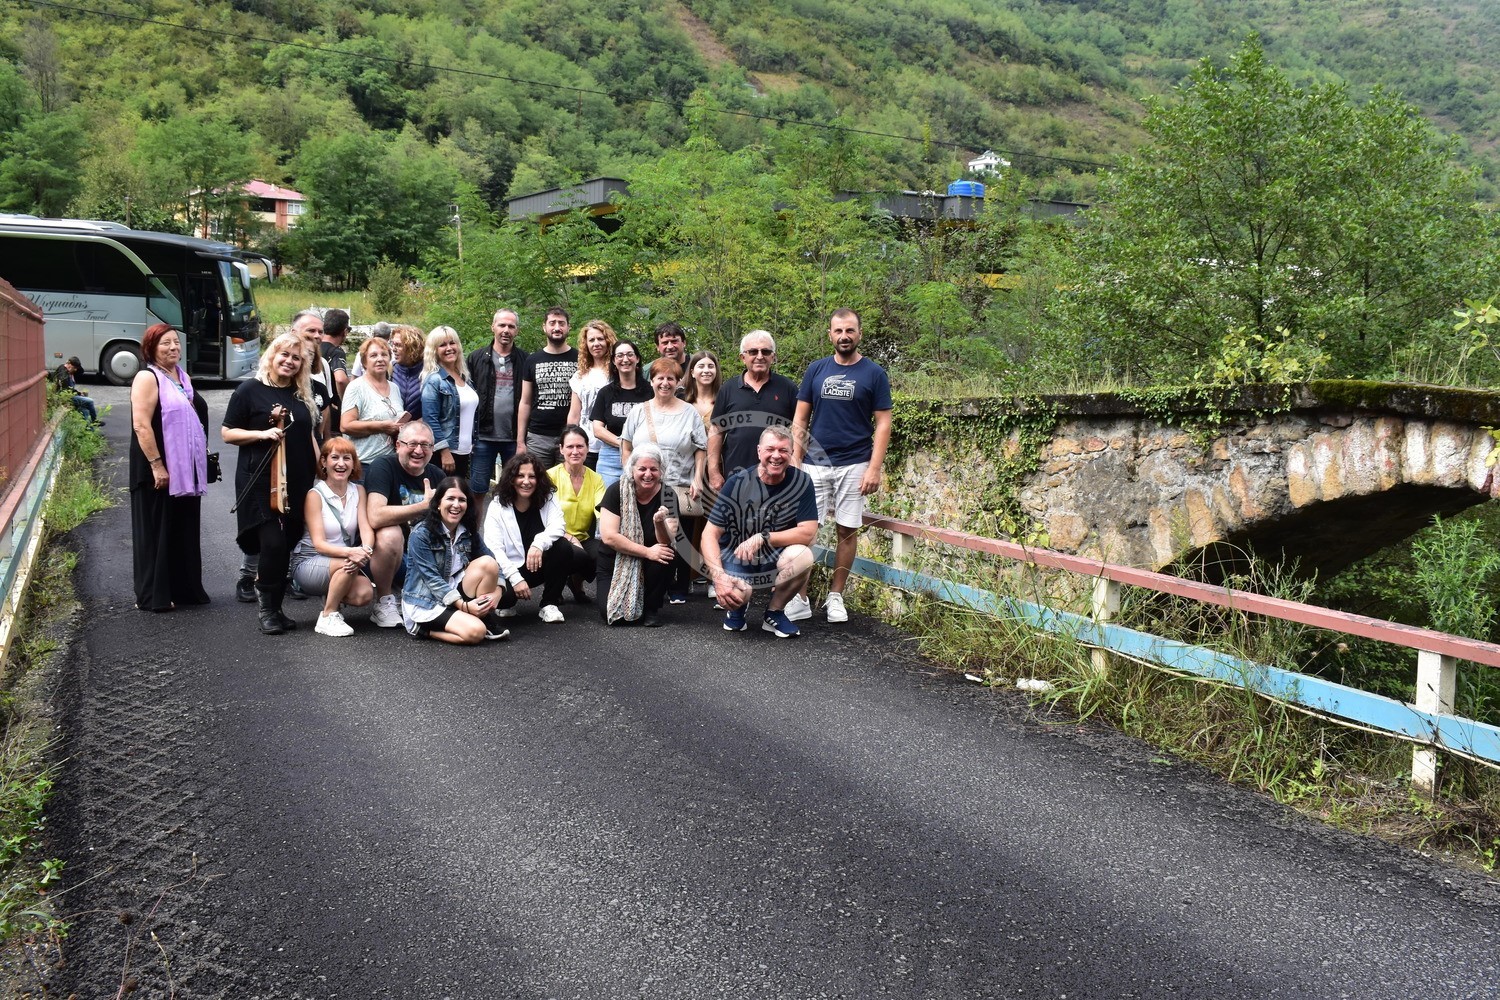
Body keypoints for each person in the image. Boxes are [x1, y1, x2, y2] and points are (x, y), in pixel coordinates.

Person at [791, 308, 893, 624]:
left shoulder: (874, 373)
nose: (844, 336)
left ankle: (836, 596)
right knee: (806, 530)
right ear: (830, 335)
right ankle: (799, 597)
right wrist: (795, 458)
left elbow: (883, 423)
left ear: (859, 333)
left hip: (855, 462)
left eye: (850, 330)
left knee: (847, 530)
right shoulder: (816, 370)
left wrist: (874, 468)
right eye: (838, 331)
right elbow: (800, 418)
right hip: (815, 463)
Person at [222, 332, 321, 634]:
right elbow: (228, 432)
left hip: (298, 479)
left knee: (287, 542)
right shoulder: (249, 390)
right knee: (273, 543)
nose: (289, 361)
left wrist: (322, 468)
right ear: (272, 355)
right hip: (260, 479)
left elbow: (309, 436)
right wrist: (261, 434)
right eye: (284, 355)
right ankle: (266, 610)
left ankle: (277, 609)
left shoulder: (301, 394)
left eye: (296, 358)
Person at [702, 427, 819, 638]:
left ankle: (775, 612)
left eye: (783, 450)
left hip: (774, 556)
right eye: (770, 449)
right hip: (737, 555)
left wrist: (763, 537)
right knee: (737, 593)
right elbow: (709, 534)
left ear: (792, 453)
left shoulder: (802, 482)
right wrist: (718, 577)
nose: (776, 455)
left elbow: (808, 532)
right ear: (758, 451)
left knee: (803, 556)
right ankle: (737, 609)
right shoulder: (737, 483)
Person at [129, 323, 210, 612]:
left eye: (176, 342)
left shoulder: (182, 377)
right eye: (165, 343)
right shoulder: (147, 377)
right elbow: (141, 425)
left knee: (181, 529)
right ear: (151, 348)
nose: (173, 347)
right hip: (157, 469)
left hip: (185, 470)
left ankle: (182, 589)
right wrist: (157, 465)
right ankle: (153, 594)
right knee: (157, 531)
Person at [620, 358, 706, 605]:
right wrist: (629, 475)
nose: (665, 383)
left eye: (671, 378)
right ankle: (651, 584)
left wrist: (698, 478)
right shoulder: (639, 411)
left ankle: (680, 586)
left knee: (681, 536)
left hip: (678, 483)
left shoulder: (689, 412)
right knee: (649, 534)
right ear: (652, 381)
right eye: (660, 378)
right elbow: (626, 446)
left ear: (678, 382)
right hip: (644, 484)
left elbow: (701, 448)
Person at [363, 421, 450, 628]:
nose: (418, 450)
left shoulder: (437, 475)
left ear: (432, 449)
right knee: (390, 534)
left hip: (423, 558)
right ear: (398, 445)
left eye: (425, 445)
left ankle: (414, 595)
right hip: (383, 557)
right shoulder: (383, 466)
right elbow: (375, 516)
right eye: (412, 444)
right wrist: (424, 506)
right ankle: (384, 602)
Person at [401, 477, 508, 644]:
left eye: (462, 500)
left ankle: (483, 616)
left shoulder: (466, 529)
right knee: (476, 633)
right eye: (450, 498)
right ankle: (423, 630)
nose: (456, 505)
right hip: (427, 600)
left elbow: (492, 559)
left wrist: (498, 591)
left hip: (453, 589)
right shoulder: (421, 534)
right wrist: (464, 606)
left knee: (488, 563)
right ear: (438, 503)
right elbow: (432, 580)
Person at [291, 437, 376, 636]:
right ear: (324, 462)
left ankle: (331, 596)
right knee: (348, 563)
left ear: (353, 463)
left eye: (347, 458)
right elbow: (319, 544)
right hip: (309, 560)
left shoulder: (359, 490)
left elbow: (365, 528)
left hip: (343, 560)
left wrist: (366, 550)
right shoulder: (315, 495)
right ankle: (328, 616)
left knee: (364, 594)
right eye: (335, 457)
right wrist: (352, 553)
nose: (341, 464)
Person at [482, 453, 571, 623]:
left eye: (532, 476)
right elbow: (494, 549)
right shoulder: (497, 505)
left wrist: (538, 544)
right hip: (508, 569)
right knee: (506, 599)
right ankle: (507, 601)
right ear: (511, 479)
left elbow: (559, 525)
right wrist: (515, 579)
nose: (526, 481)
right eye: (520, 476)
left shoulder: (547, 497)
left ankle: (549, 604)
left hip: (535, 564)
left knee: (564, 548)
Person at [597, 444, 678, 627]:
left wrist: (659, 522)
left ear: (661, 471)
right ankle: (636, 603)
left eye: (653, 469)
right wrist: (647, 552)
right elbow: (609, 537)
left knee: (667, 553)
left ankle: (651, 608)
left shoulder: (668, 495)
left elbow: (667, 540)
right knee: (612, 614)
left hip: (652, 561)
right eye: (642, 469)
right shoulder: (616, 491)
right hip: (615, 560)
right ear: (632, 469)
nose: (648, 474)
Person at [708, 330, 798, 490]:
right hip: (736, 476)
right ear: (743, 357)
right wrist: (713, 471)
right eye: (753, 352)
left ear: (773, 357)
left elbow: (799, 429)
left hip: (778, 478)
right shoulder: (728, 389)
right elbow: (716, 431)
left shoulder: (788, 388)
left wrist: (795, 466)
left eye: (766, 351)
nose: (760, 356)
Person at [466, 309, 524, 497]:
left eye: (511, 326)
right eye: (502, 325)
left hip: (514, 438)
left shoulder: (525, 360)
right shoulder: (476, 358)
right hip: (483, 436)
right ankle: (478, 519)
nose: (506, 330)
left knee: (515, 490)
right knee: (478, 490)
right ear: (493, 327)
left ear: (517, 330)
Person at [547, 425, 606, 604]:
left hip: (583, 538)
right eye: (570, 446)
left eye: (580, 446)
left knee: (604, 552)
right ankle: (553, 589)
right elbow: (543, 518)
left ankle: (576, 583)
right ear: (561, 449)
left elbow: (602, 513)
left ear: (587, 448)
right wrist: (569, 538)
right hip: (555, 537)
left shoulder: (596, 479)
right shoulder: (550, 476)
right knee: (571, 552)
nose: (575, 451)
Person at [516, 306, 578, 470]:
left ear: (568, 327)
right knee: (537, 481)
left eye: (561, 323)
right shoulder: (532, 360)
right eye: (552, 323)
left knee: (568, 482)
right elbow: (525, 402)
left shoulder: (580, 358)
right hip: (538, 436)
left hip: (570, 436)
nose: (557, 327)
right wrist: (520, 441)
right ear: (544, 327)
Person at [588, 339, 651, 489]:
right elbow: (597, 429)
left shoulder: (650, 391)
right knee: (609, 500)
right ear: (614, 361)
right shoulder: (605, 392)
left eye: (630, 354)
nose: (625, 359)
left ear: (637, 359)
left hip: (644, 454)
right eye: (620, 355)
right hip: (611, 456)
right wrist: (623, 443)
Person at [340, 335, 409, 465]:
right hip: (364, 462)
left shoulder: (394, 387)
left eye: (384, 355)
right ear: (364, 362)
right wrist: (382, 426)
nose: (380, 359)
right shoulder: (356, 387)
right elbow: (345, 426)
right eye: (373, 355)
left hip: (391, 462)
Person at [420, 326, 477, 479]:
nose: (449, 348)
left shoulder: (464, 377)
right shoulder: (434, 380)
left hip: (464, 452)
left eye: (452, 343)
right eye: (442, 345)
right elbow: (430, 419)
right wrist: (444, 451)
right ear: (434, 350)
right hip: (445, 455)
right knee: (444, 493)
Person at [566, 318, 616, 470]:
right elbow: (574, 414)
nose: (596, 343)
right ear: (586, 344)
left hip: (612, 444)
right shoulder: (580, 376)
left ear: (608, 341)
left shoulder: (617, 373)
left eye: (600, 339)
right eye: (591, 340)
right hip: (586, 445)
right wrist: (570, 440)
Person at [290, 310, 334, 440]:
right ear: (294, 333)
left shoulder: (323, 364)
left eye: (321, 332)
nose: (317, 336)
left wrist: (326, 440)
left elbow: (325, 408)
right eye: (311, 331)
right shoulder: (280, 366)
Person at [320, 307, 352, 423]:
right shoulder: (336, 352)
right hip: (331, 408)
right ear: (345, 331)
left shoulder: (313, 347)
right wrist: (347, 402)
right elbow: (340, 379)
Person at [390, 325, 426, 423]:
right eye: (393, 344)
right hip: (391, 429)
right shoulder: (390, 370)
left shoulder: (428, 371)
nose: (393, 349)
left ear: (412, 347)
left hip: (421, 430)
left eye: (398, 345)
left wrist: (414, 426)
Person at [54, 356, 100, 424]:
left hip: (70, 394)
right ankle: (94, 421)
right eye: (74, 367)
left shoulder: (71, 372)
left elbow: (81, 371)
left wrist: (73, 367)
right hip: (67, 397)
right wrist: (78, 393)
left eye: (76, 368)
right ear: (69, 365)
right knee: (90, 401)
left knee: (85, 411)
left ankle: (90, 428)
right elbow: (66, 388)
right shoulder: (63, 372)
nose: (75, 370)